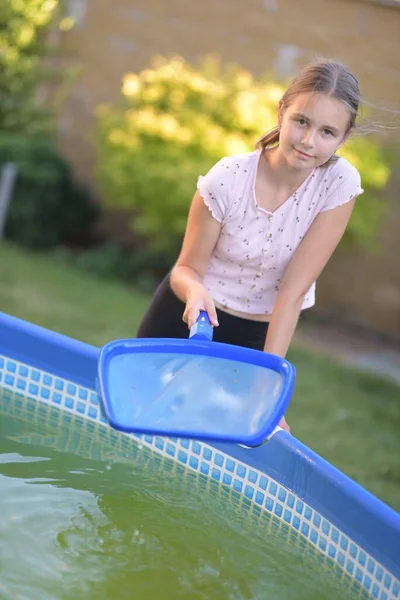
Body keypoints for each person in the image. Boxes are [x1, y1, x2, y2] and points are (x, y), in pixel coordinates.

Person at [137, 59, 364, 433]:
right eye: (301, 121)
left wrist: (266, 389)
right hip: (190, 320)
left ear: (343, 138)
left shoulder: (338, 185)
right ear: (281, 112)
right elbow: (185, 270)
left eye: (327, 131)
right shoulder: (226, 179)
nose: (308, 141)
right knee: (143, 427)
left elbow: (291, 294)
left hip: (257, 336)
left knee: (225, 448)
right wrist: (194, 292)